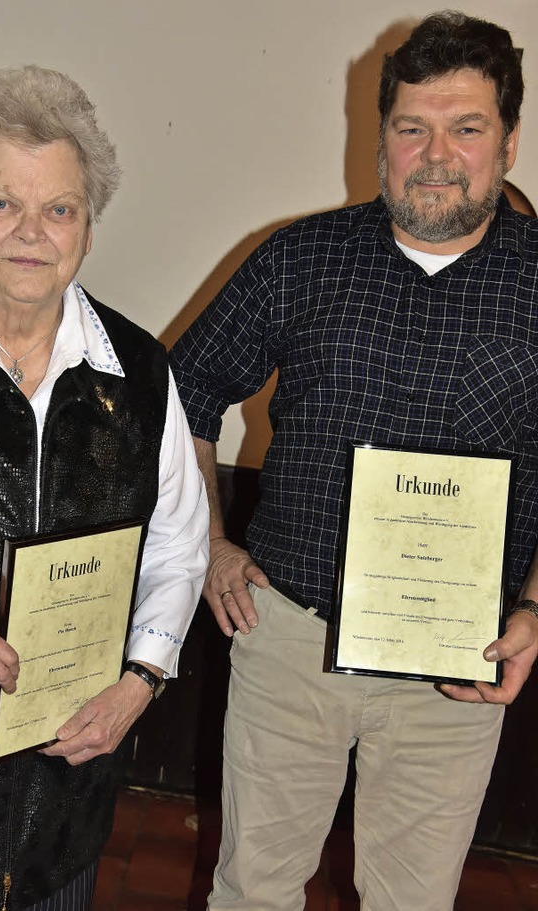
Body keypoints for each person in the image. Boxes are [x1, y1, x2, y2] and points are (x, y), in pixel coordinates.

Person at [170, 11, 538, 911]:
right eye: (413, 128)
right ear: (381, 140)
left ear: (510, 142)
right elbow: (181, 392)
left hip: (457, 666)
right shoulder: (302, 258)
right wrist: (212, 544)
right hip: (289, 639)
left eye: (467, 127)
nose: (437, 152)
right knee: (251, 891)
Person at [0, 66, 208, 911]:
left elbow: (179, 545)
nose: (32, 232)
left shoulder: (139, 374)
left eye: (60, 209)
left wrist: (140, 682)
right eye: (3, 203)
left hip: (61, 818)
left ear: (89, 229)